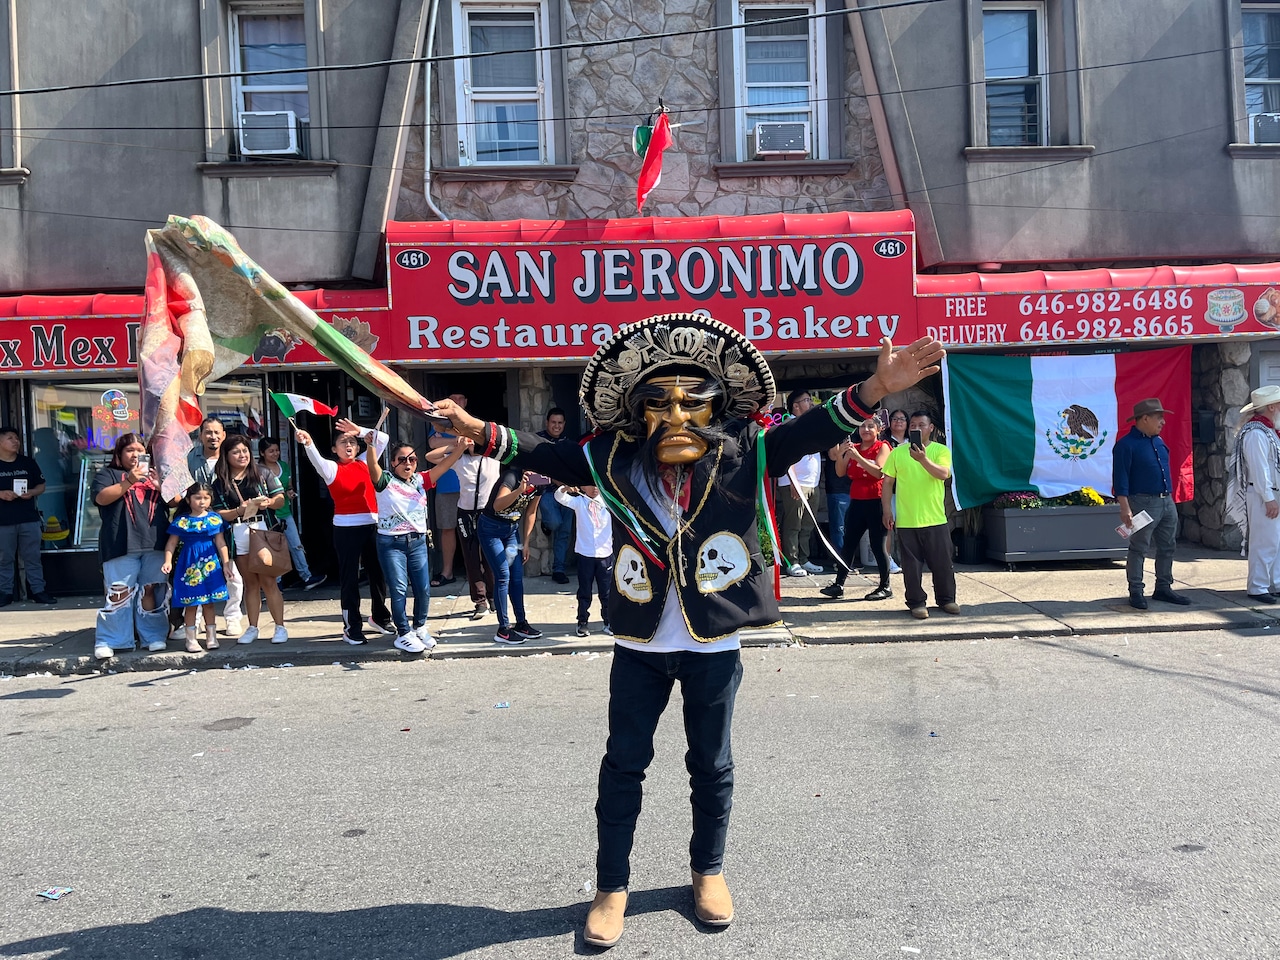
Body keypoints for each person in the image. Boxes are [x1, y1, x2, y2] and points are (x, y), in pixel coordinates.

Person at [428, 313, 943, 948]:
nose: (675, 417)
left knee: (712, 765)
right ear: (635, 411)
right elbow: (543, 452)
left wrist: (874, 388)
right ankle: (611, 887)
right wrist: (478, 430)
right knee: (623, 765)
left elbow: (811, 430)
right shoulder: (610, 458)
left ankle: (709, 872)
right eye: (659, 403)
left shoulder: (747, 453)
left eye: (691, 402)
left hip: (713, 645)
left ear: (716, 407)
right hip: (639, 645)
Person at [295, 417, 393, 643]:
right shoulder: (332, 468)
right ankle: (352, 627)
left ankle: (380, 617)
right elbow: (316, 459)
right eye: (343, 442)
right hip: (346, 528)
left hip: (372, 524)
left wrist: (359, 430)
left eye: (352, 442)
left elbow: (383, 438)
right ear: (334, 448)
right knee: (349, 578)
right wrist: (308, 442)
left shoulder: (366, 461)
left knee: (377, 574)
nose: (349, 446)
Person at [367, 434, 466, 652]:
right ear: (393, 463)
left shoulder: (421, 480)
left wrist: (459, 449)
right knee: (399, 588)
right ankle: (403, 633)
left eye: (411, 459)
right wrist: (370, 445)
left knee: (422, 588)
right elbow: (372, 466)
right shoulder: (385, 481)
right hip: (391, 543)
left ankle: (419, 627)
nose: (407, 463)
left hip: (418, 542)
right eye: (402, 459)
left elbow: (445, 465)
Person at [91, 433, 172, 658]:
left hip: (155, 543)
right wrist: (129, 481)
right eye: (129, 450)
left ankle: (153, 636)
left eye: (140, 450)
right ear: (119, 454)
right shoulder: (107, 474)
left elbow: (176, 501)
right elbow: (101, 498)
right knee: (119, 593)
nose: (135, 454)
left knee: (152, 590)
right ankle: (111, 640)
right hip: (120, 543)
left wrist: (160, 485)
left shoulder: (156, 474)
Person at [1114, 398, 1190, 609]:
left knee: (1168, 546)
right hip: (1142, 502)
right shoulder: (1126, 445)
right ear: (1144, 419)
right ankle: (1136, 591)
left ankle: (1163, 587)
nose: (1163, 422)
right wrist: (1125, 507)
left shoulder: (1158, 441)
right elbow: (1120, 479)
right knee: (1139, 547)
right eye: (1159, 418)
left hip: (1166, 500)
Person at [212, 434, 288, 644]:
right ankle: (252, 627)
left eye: (245, 450)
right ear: (226, 456)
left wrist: (269, 502)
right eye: (236, 452)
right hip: (238, 532)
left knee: (268, 580)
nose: (242, 455)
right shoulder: (220, 482)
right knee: (250, 582)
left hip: (262, 529)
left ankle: (280, 627)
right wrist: (238, 510)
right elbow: (218, 513)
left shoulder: (262, 473)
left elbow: (280, 500)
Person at [881, 410, 957, 620]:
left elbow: (943, 474)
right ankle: (916, 602)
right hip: (907, 519)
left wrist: (923, 459)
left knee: (942, 563)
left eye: (921, 425)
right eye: (912, 425)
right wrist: (887, 509)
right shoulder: (898, 452)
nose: (916, 428)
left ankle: (946, 599)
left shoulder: (940, 450)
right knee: (911, 567)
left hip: (935, 518)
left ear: (931, 428)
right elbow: (887, 482)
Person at [821, 417, 893, 601]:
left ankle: (885, 586)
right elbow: (840, 472)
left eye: (870, 426)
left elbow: (879, 471)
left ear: (878, 430)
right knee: (848, 544)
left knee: (878, 545)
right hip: (857, 501)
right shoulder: (854, 447)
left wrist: (858, 457)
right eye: (862, 426)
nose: (865, 429)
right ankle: (839, 584)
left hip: (876, 501)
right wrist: (842, 454)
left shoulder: (882, 446)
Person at [161, 481, 236, 652]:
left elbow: (221, 542)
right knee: (191, 603)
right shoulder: (181, 521)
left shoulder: (215, 519)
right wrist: (167, 561)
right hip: (188, 564)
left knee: (210, 603)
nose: (202, 501)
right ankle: (191, 640)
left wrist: (225, 564)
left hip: (210, 564)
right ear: (188, 500)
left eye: (206, 498)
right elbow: (171, 544)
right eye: (197, 498)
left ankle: (211, 636)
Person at [478, 466, 544, 645]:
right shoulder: (512, 476)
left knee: (516, 577)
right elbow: (497, 504)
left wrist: (527, 542)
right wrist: (519, 490)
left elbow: (531, 512)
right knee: (503, 576)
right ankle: (503, 629)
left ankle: (521, 623)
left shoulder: (540, 481)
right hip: (491, 529)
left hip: (511, 531)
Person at [258, 436, 325, 589]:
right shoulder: (258, 470)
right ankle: (277, 582)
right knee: (274, 548)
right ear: (262, 453)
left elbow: (288, 486)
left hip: (285, 512)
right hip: (269, 516)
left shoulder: (283, 466)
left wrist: (290, 492)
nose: (275, 454)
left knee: (296, 545)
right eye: (271, 451)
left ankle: (306, 576)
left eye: (277, 450)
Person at [1234, 386, 1280, 603]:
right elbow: (1259, 469)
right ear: (1271, 406)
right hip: (1264, 493)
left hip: (1271, 492)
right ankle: (1258, 586)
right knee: (1265, 541)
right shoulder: (1256, 433)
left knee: (1276, 541)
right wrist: (1269, 498)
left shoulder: (1267, 431)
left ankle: (1275, 582)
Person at [0, 425, 56, 606]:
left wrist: (31, 492)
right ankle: (5, 592)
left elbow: (42, 485)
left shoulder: (27, 462)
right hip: (3, 520)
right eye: (10, 438)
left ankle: (38, 591)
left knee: (33, 557)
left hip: (28, 518)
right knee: (4, 558)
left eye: (16, 438)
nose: (15, 441)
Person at [554, 484, 614, 636]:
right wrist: (565, 488)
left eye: (596, 485)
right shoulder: (579, 502)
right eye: (589, 485)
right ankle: (582, 622)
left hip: (604, 554)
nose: (594, 489)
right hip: (585, 554)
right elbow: (559, 497)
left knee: (606, 592)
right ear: (582, 487)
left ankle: (608, 621)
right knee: (584, 590)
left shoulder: (608, 502)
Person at [776, 389, 824, 576]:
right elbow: (785, 456)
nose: (811, 403)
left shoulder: (811, 425)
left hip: (812, 483)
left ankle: (804, 559)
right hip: (793, 483)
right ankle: (792, 561)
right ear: (796, 406)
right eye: (806, 400)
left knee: (807, 524)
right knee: (793, 523)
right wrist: (794, 481)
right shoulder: (789, 425)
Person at [426, 392, 467, 588]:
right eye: (452, 398)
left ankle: (481, 571)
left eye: (460, 398)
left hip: (470, 485)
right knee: (447, 529)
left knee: (475, 530)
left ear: (465, 403)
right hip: (446, 485)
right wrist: (459, 442)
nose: (456, 402)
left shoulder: (471, 422)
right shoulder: (439, 422)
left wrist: (449, 440)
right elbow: (433, 444)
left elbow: (476, 442)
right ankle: (447, 572)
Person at [455, 440, 499, 620]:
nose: (473, 443)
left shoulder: (493, 459)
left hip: (487, 512)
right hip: (465, 513)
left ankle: (493, 595)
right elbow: (430, 456)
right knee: (471, 557)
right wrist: (458, 446)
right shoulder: (460, 460)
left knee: (490, 556)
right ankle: (480, 601)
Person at [535, 407, 574, 583]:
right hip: (546, 492)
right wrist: (555, 480)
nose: (556, 426)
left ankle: (558, 570)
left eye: (560, 423)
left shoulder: (569, 443)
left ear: (564, 424)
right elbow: (531, 472)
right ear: (547, 423)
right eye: (553, 422)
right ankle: (547, 525)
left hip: (567, 493)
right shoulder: (538, 440)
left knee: (564, 532)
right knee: (555, 523)